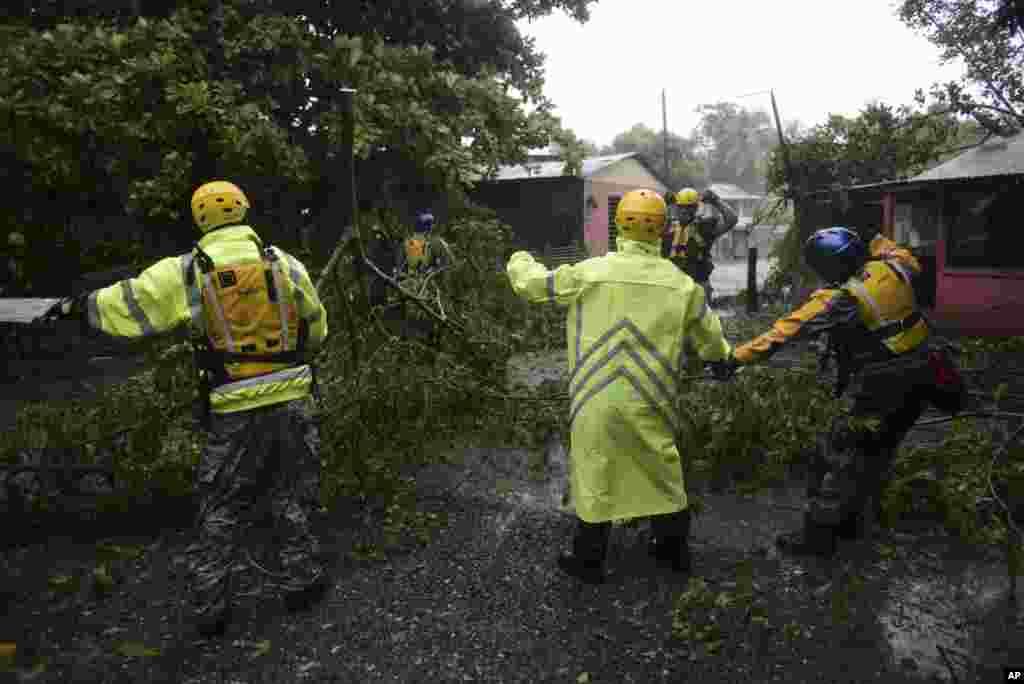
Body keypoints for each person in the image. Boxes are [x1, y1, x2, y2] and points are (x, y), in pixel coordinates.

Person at [51, 180, 331, 637]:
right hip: (292, 398)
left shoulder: (185, 271)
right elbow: (316, 325)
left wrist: (75, 308)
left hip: (234, 403)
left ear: (199, 219)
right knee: (291, 492)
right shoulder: (284, 262)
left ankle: (210, 607)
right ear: (244, 209)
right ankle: (301, 583)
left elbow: (129, 304)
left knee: (221, 504)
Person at [507, 188, 733, 584]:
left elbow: (534, 285)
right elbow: (711, 339)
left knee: (595, 467)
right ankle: (672, 553)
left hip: (595, 398)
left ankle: (588, 560)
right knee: (662, 467)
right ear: (662, 229)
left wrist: (520, 260)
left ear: (619, 225)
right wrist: (722, 362)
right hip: (653, 398)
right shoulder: (681, 285)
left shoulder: (590, 272)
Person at [720, 227, 966, 556]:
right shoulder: (894, 265)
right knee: (880, 449)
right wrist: (874, 242)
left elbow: (782, 333)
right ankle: (858, 519)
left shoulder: (839, 298)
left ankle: (819, 535)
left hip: (886, 380)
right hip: (926, 368)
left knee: (840, 452)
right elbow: (895, 250)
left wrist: (734, 359)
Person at [663, 187, 739, 305]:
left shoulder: (705, 226)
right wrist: (663, 204)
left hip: (698, 285)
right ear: (677, 207)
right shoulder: (666, 226)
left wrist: (715, 201)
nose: (684, 211)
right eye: (681, 207)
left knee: (700, 322)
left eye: (689, 207)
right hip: (671, 285)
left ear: (696, 208)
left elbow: (732, 219)